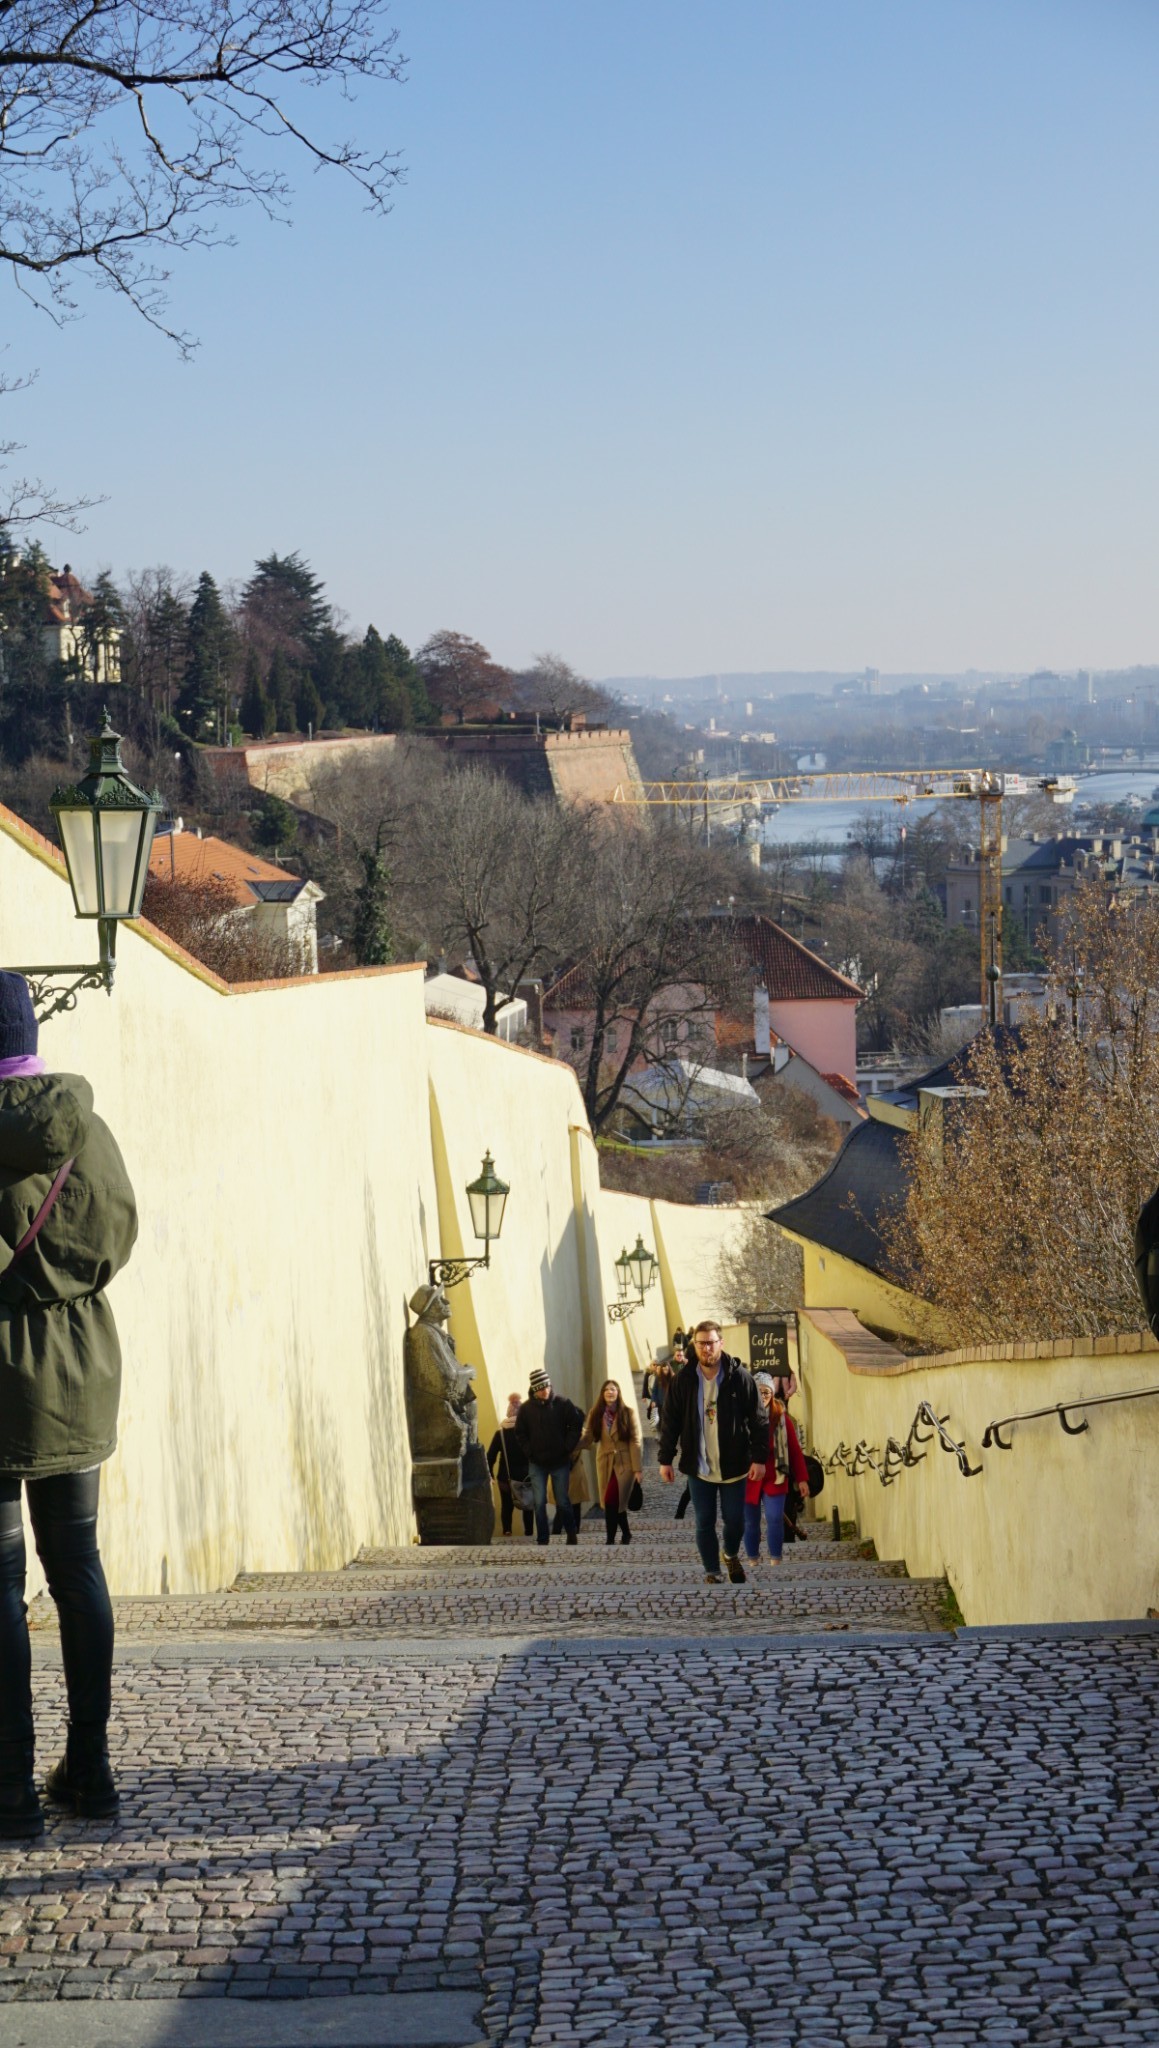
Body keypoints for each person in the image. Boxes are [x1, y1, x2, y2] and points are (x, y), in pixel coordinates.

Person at [0, 974, 138, 1838]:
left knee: (0, 1583)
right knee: (77, 1568)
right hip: (81, 1371)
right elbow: (118, 1234)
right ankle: (89, 1767)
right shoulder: (88, 1129)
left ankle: (11, 1788)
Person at [658, 1319, 765, 1585]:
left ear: (721, 1343)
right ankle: (712, 1572)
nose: (706, 1349)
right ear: (694, 1345)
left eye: (711, 1343)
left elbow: (759, 1420)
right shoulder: (684, 1380)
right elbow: (670, 1421)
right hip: (699, 1466)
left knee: (735, 1522)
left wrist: (760, 1458)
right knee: (704, 1522)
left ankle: (729, 1554)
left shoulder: (740, 1378)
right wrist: (665, 1459)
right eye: (701, 1343)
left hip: (734, 1466)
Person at [744, 1374, 809, 1568]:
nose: (763, 1395)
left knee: (774, 1517)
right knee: (750, 1521)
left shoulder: (781, 1417)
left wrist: (803, 1479)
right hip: (750, 1475)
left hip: (776, 1474)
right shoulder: (743, 1416)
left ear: (772, 1393)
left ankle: (775, 1559)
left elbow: (795, 1450)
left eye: (767, 1391)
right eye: (759, 1391)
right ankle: (753, 1559)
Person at [513, 1366, 583, 1546]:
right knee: (539, 1502)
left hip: (560, 1461)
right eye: (541, 1388)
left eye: (547, 1386)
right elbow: (520, 1433)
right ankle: (543, 1538)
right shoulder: (526, 1409)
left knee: (562, 1501)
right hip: (537, 1463)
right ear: (534, 1390)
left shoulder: (563, 1404)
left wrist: (567, 1447)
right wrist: (530, 1452)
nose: (545, 1391)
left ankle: (571, 1533)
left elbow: (576, 1424)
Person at [580, 1380, 643, 1545]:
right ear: (602, 1394)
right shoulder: (596, 1413)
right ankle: (627, 1534)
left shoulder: (627, 1413)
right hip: (605, 1461)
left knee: (610, 1500)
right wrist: (570, 1445)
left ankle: (610, 1539)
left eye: (613, 1389)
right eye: (606, 1389)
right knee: (617, 1502)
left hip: (625, 1463)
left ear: (618, 1392)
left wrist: (637, 1469)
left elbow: (635, 1441)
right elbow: (588, 1437)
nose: (610, 1392)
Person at [487, 1394, 534, 1538]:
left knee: (507, 1505)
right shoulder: (528, 1433)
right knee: (528, 1505)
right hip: (527, 1476)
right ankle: (529, 1533)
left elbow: (490, 1456)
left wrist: (490, 1474)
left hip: (505, 1478)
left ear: (508, 1412)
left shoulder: (500, 1434)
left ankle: (507, 1531)